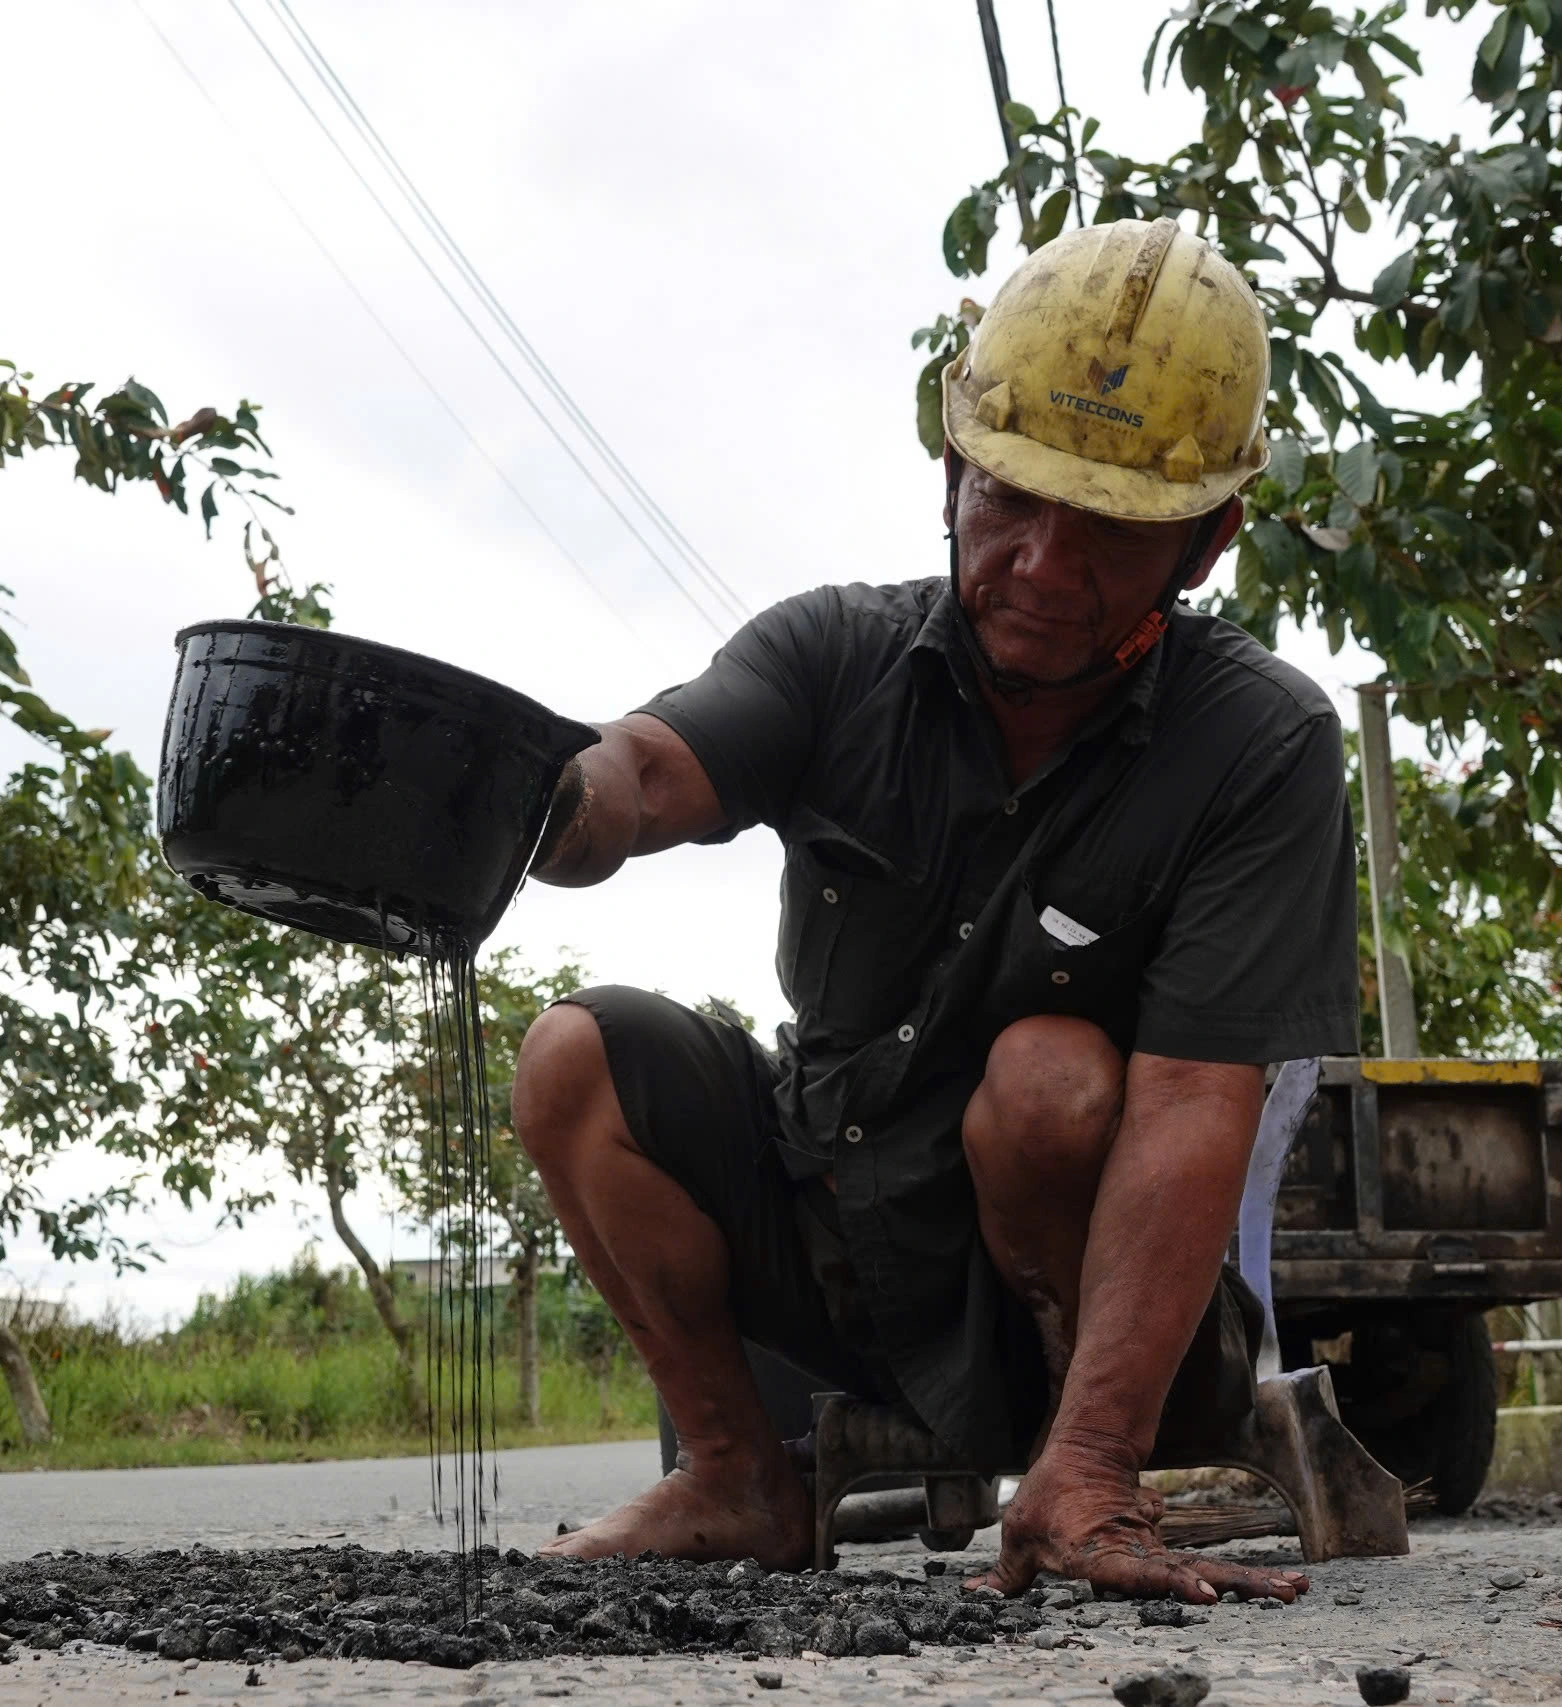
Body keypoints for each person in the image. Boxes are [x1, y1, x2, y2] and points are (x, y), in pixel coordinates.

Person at [512, 218, 1359, 1605]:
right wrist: (556, 801)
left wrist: (1090, 1446)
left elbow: (1202, 1100)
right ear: (952, 468)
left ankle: (1083, 1466)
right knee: (573, 1059)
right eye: (1010, 502)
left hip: (1079, 1322)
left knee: (1045, 1079)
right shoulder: (836, 653)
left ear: (1207, 541)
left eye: (1109, 532)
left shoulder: (1258, 744)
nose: (1040, 563)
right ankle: (737, 1471)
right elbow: (651, 763)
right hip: (843, 1242)